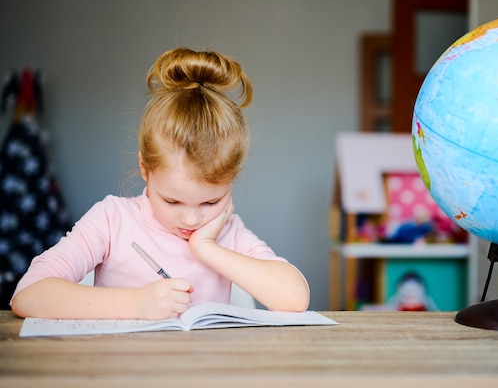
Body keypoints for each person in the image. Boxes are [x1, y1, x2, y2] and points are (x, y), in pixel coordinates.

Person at [11, 47, 310, 319]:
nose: (192, 219)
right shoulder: (112, 220)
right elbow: (28, 295)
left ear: (231, 180)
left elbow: (295, 298)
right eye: (172, 200)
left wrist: (206, 248)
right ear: (145, 168)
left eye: (210, 202)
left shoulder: (227, 231)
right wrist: (136, 304)